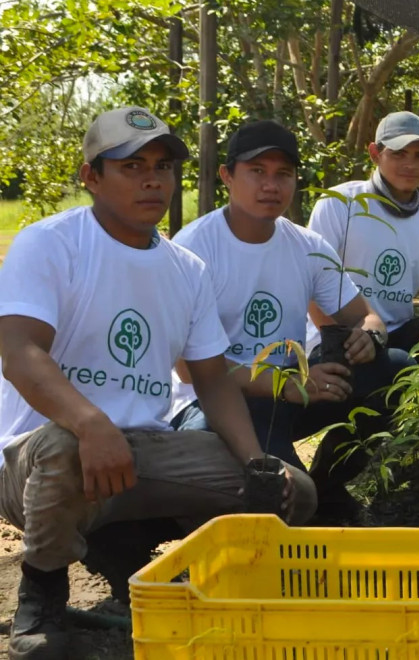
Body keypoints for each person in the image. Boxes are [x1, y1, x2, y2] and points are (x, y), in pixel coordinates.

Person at [0, 108, 316, 658]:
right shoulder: (49, 243)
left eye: (163, 166)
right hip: (37, 462)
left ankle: (165, 572)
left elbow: (212, 381)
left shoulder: (185, 268)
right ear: (90, 177)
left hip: (145, 453)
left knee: (295, 490)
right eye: (131, 166)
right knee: (68, 446)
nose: (152, 179)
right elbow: (20, 352)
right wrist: (91, 422)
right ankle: (42, 594)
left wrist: (253, 462)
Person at [169, 120, 413, 525]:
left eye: (283, 174)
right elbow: (189, 370)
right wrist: (289, 384)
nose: (271, 185)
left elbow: (365, 315)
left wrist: (369, 337)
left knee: (397, 371)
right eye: (257, 172)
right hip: (215, 405)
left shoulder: (306, 245)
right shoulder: (192, 249)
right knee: (280, 502)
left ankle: (330, 488)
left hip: (292, 393)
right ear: (227, 176)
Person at [307, 111, 419, 354]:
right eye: (399, 154)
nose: (410, 165)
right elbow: (312, 287)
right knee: (397, 364)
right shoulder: (339, 204)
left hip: (398, 334)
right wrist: (347, 343)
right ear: (375, 154)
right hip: (340, 335)